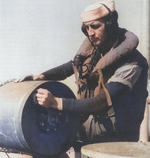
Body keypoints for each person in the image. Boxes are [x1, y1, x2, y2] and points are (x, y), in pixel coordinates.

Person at [16, 0, 148, 152]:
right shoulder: (97, 51)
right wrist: (40, 76)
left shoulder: (132, 62)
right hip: (89, 129)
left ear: (110, 25)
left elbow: (100, 102)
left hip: (115, 139)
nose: (90, 32)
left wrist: (56, 103)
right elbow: (70, 67)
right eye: (87, 27)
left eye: (95, 26)